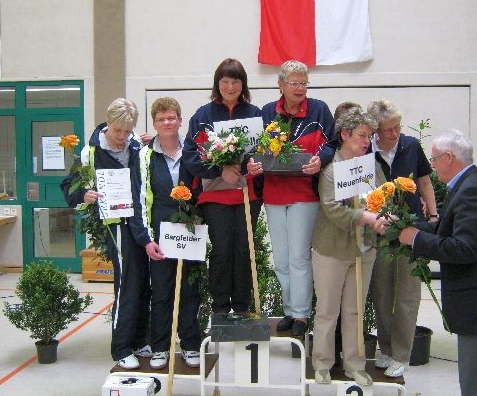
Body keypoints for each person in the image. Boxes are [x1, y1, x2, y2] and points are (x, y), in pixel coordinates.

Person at [398, 129, 477, 396]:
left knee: (476, 387)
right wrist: (406, 227)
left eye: (434, 159)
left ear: (449, 157)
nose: (431, 166)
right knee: (474, 383)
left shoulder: (473, 191)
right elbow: (445, 230)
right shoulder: (468, 185)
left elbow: (464, 249)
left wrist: (416, 238)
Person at [60, 98, 151, 369]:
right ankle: (121, 347)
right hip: (116, 224)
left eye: (127, 131)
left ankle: (140, 339)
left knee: (145, 282)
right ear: (108, 124)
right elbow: (69, 185)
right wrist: (84, 194)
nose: (122, 136)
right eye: (117, 130)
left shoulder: (137, 145)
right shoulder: (90, 152)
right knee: (127, 284)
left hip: (142, 220)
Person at [248, 59, 334, 336]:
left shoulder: (319, 109)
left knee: (298, 257)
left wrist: (320, 160)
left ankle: (301, 314)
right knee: (281, 260)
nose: (300, 88)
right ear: (281, 85)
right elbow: (255, 148)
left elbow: (331, 144)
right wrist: (254, 163)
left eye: (304, 83)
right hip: (273, 193)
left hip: (304, 194)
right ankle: (289, 310)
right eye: (294, 83)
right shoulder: (267, 112)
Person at [311, 107, 386, 386]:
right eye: (361, 135)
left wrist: (384, 212)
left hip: (364, 250)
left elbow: (385, 194)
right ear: (344, 134)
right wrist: (365, 216)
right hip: (331, 250)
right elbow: (332, 208)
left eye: (369, 136)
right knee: (327, 311)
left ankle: (355, 364)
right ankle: (322, 363)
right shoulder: (331, 170)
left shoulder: (372, 167)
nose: (366, 141)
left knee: (355, 310)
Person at [182, 58, 262, 314]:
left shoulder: (254, 114)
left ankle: (241, 307)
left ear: (243, 84)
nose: (230, 87)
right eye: (225, 81)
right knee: (221, 250)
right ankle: (219, 308)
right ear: (217, 84)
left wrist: (252, 164)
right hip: (214, 197)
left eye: (236, 81)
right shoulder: (203, 116)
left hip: (247, 195)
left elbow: (263, 151)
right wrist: (220, 171)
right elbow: (190, 156)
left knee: (244, 250)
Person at [366, 98, 438, 378]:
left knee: (407, 295)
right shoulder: (366, 150)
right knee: (382, 293)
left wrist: (433, 216)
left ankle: (401, 355)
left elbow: (424, 181)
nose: (395, 133)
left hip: (411, 229)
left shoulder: (411, 145)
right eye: (388, 130)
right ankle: (385, 349)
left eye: (397, 127)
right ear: (375, 130)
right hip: (380, 231)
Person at [132, 97, 201, 369]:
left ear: (180, 120)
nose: (167, 122)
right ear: (154, 123)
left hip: (190, 232)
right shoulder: (145, 156)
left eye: (171, 117)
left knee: (189, 291)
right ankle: (161, 347)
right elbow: (139, 200)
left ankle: (191, 345)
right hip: (160, 236)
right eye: (161, 119)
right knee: (161, 293)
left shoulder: (193, 151)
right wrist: (147, 240)